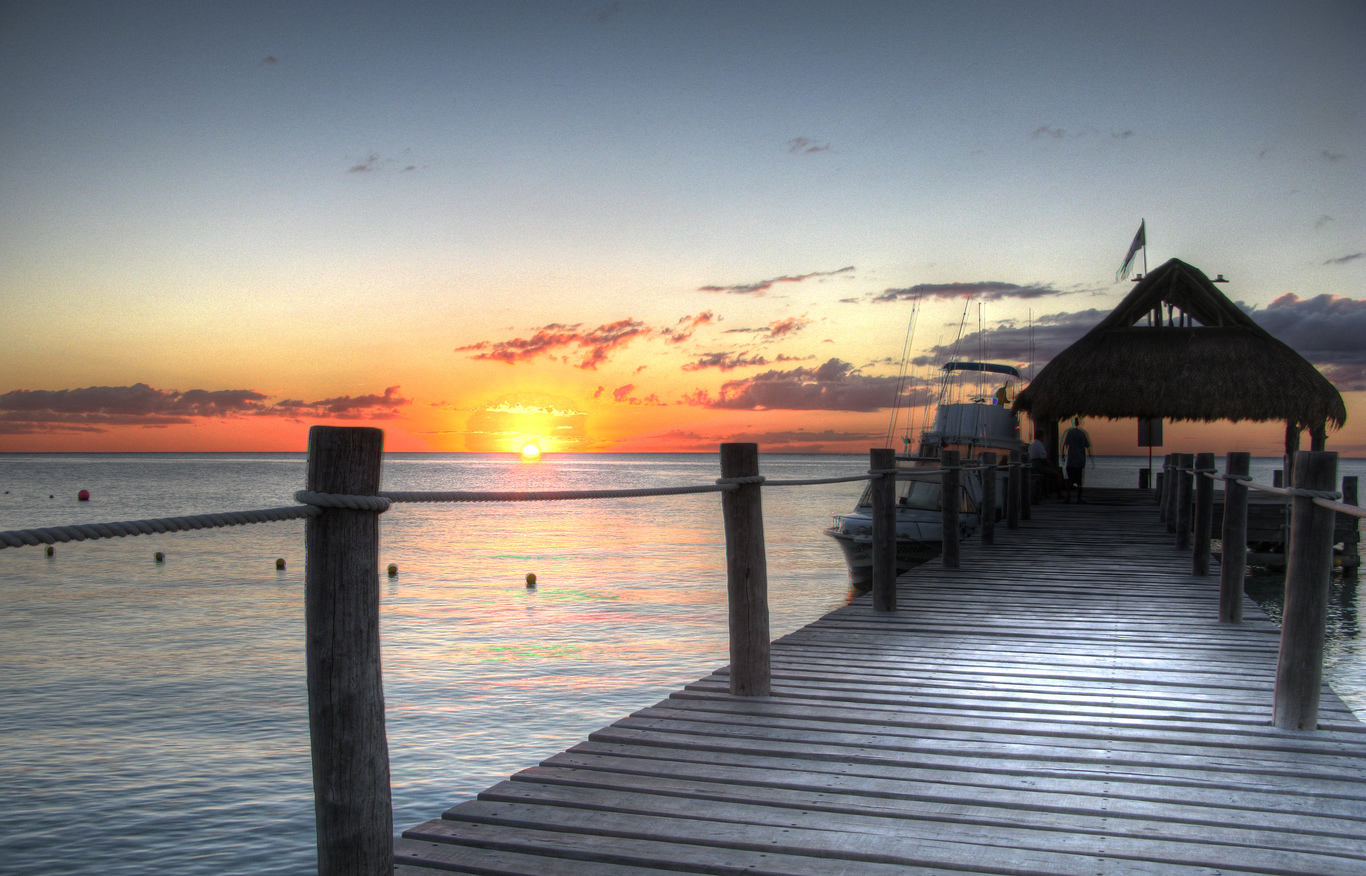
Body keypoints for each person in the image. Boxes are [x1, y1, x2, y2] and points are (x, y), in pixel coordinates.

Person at [1061, 417, 1092, 503]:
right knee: (1079, 480)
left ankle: (1069, 496)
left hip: (1072, 460)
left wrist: (1063, 454)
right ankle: (1078, 498)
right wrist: (1091, 458)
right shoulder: (1082, 434)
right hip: (1079, 460)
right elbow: (1087, 446)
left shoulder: (1070, 432)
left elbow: (1065, 444)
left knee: (1070, 479)